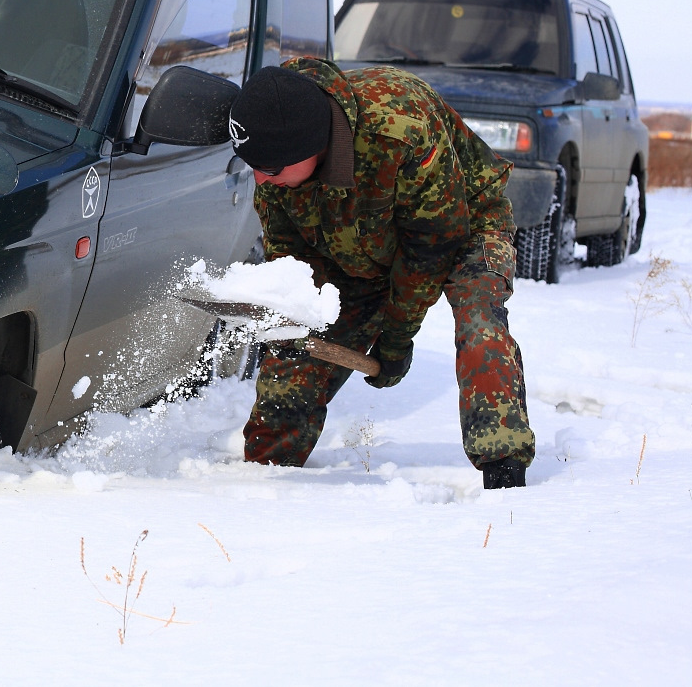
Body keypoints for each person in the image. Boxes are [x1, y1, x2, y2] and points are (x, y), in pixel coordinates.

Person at [227, 59, 535, 488]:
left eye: (272, 169)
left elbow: (431, 247)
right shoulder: (273, 144)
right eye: (253, 165)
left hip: (461, 225)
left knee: (478, 321)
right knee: (295, 351)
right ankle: (264, 475)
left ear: (311, 145)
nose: (260, 177)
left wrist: (395, 340)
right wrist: (298, 315)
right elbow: (292, 259)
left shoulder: (400, 128)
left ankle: (505, 472)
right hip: (352, 248)